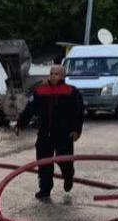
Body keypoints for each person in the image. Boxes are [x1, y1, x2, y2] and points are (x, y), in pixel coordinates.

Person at [18, 64, 84, 200]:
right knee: (43, 162)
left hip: (64, 134)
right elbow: (30, 109)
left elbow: (79, 112)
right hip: (45, 133)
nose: (53, 76)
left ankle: (68, 176)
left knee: (64, 160)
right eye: (51, 73)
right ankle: (45, 189)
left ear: (63, 76)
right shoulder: (41, 91)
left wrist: (77, 130)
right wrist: (20, 124)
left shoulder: (71, 91)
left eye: (56, 74)